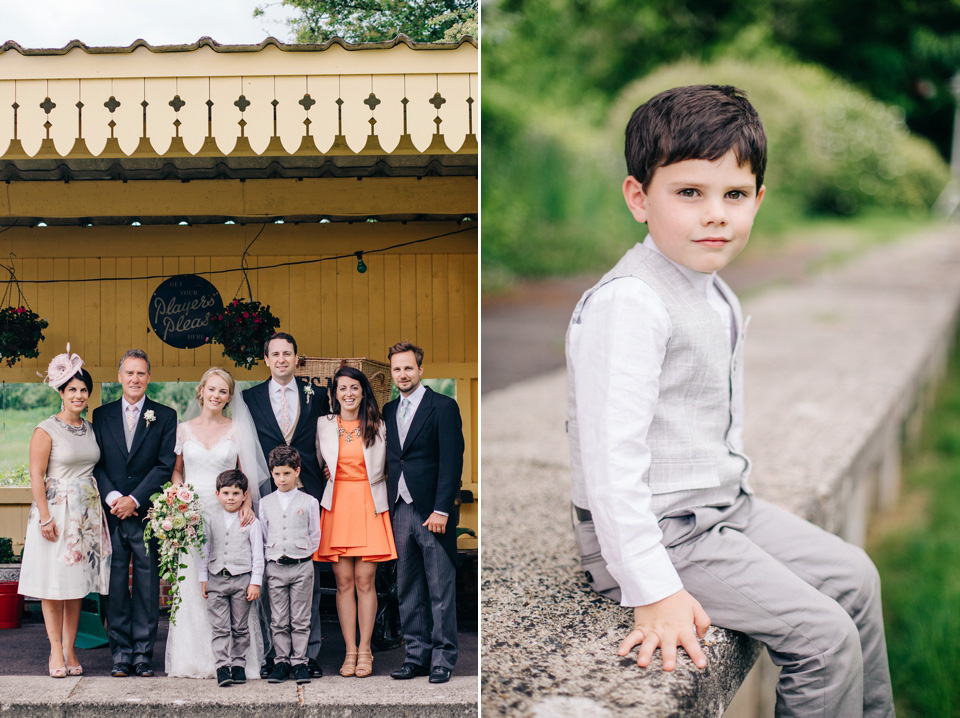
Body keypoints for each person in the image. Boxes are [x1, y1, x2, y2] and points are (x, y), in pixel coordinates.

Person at [565, 85, 894, 717]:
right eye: (689, 192)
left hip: (720, 511)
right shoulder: (629, 303)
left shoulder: (713, 291)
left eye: (734, 195)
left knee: (855, 577)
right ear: (639, 197)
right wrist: (653, 588)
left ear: (757, 201)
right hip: (659, 535)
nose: (716, 213)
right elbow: (611, 465)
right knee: (822, 639)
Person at [165, 367, 268, 679]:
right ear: (201, 391)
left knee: (232, 582)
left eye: (223, 391)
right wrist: (177, 497)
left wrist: (247, 504)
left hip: (230, 514)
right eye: (212, 389)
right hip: (192, 515)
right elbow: (177, 470)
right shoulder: (183, 430)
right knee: (197, 586)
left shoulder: (237, 430)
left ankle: (237, 661)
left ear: (229, 397)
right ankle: (195, 659)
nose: (216, 395)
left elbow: (245, 472)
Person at [19, 346, 111, 678]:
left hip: (85, 516)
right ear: (61, 392)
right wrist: (44, 516)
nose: (79, 395)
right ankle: (55, 651)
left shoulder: (89, 428)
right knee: (54, 586)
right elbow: (35, 474)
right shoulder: (46, 429)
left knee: (75, 588)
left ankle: (71, 648)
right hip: (55, 513)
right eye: (72, 389)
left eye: (84, 390)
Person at [242, 332, 327, 678]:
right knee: (268, 572)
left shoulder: (317, 395)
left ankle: (308, 654)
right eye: (275, 354)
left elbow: (325, 437)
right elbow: (245, 446)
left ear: (296, 358)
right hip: (267, 492)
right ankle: (275, 655)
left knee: (310, 577)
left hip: (309, 491)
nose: (281, 359)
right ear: (266, 359)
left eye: (287, 354)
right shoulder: (250, 398)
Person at [92, 348, 177, 678]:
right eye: (129, 373)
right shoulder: (101, 415)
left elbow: (165, 465)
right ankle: (120, 654)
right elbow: (96, 464)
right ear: (119, 376)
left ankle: (143, 654)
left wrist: (135, 499)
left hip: (144, 515)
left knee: (146, 586)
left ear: (149, 377)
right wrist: (115, 497)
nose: (135, 379)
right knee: (115, 587)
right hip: (112, 513)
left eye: (141, 373)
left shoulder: (164, 415)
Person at [383, 341, 464, 684]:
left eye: (408, 368)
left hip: (433, 511)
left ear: (420, 370)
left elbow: (451, 461)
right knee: (408, 587)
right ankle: (415, 656)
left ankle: (443, 659)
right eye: (397, 369)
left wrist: (443, 509)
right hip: (399, 509)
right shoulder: (387, 410)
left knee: (440, 589)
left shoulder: (443, 406)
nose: (402, 374)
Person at [314, 366, 396, 678]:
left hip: (369, 503)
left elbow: (391, 463)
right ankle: (349, 651)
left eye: (354, 388)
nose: (348, 393)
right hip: (337, 505)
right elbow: (316, 462)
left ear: (363, 392)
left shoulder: (378, 424)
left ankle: (366, 649)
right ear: (334, 394)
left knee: (365, 580)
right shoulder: (323, 424)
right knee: (343, 582)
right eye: (342, 388)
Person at [260, 445, 321, 685]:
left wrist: (302, 552)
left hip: (301, 566)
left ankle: (300, 661)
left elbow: (314, 534)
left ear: (297, 471)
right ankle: (281, 661)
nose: (281, 479)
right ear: (272, 473)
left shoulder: (309, 501)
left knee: (300, 618)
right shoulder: (265, 502)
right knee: (279, 618)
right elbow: (264, 534)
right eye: (277, 474)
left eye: (286, 473)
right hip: (275, 565)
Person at [199, 469, 265, 687]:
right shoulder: (209, 519)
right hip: (217, 578)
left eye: (236, 493)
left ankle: (238, 664)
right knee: (220, 627)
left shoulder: (250, 521)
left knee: (239, 626)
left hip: (242, 580)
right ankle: (222, 666)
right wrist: (204, 578)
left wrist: (255, 582)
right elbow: (204, 551)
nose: (230, 498)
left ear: (244, 495)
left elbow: (258, 554)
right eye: (226, 493)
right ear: (217, 494)